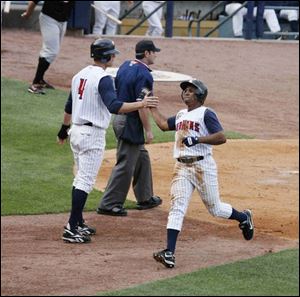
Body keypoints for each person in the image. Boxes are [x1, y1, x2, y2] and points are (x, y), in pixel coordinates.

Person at [56, 38, 159, 243]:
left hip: (76, 131)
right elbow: (114, 106)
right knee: (85, 181)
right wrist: (141, 104)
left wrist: (62, 130)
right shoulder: (102, 78)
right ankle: (71, 227)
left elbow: (69, 105)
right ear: (108, 56)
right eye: (113, 54)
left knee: (80, 179)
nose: (114, 56)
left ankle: (77, 222)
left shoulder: (80, 75)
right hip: (91, 135)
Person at [150, 79, 254, 268]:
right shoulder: (181, 114)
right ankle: (169, 253)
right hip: (181, 167)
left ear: (200, 95)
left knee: (215, 209)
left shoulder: (206, 113)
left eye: (191, 90)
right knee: (177, 207)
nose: (186, 93)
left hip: (202, 167)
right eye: (185, 91)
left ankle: (243, 218)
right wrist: (150, 107)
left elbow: (221, 137)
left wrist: (198, 139)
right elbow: (164, 125)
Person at [96, 39, 162, 217]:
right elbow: (143, 105)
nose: (155, 54)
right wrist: (148, 130)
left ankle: (145, 197)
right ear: (147, 53)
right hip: (130, 121)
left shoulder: (125, 65)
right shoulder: (145, 74)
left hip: (119, 118)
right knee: (126, 163)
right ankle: (109, 203)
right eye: (154, 52)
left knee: (142, 156)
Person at [21, 1, 74, 95]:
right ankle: (35, 83)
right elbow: (34, 1)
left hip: (63, 21)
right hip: (49, 19)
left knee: (52, 51)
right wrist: (28, 13)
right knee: (51, 51)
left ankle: (40, 80)